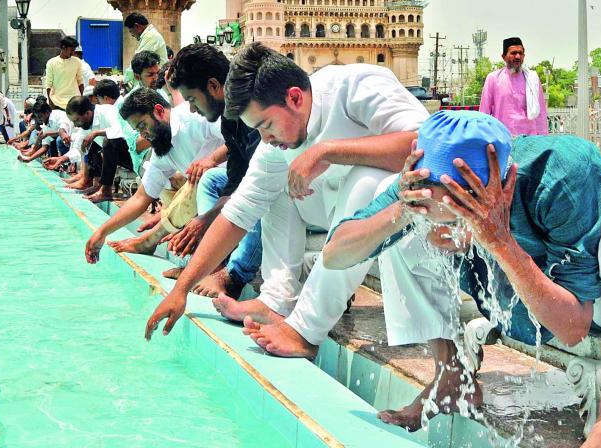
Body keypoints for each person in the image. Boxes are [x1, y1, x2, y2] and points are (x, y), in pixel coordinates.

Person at [322, 111, 601, 447]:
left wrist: (498, 241)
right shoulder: (421, 183)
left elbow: (574, 327)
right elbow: (335, 255)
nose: (435, 219)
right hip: (524, 301)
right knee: (399, 228)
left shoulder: (562, 172)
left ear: (485, 194)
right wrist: (404, 209)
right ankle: (450, 377)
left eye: (456, 211)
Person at [144, 42, 429, 359]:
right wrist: (181, 289)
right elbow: (238, 214)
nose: (265, 139)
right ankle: (276, 300)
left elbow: (425, 150)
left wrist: (327, 151)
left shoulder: (357, 84)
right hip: (330, 212)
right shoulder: (274, 144)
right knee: (272, 186)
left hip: (399, 215)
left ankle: (306, 329)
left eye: (265, 125)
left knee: (367, 178)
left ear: (294, 97)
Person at [146, 42, 263, 299]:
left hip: (300, 186)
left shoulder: (255, 108)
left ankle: (234, 275)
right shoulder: (230, 119)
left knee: (257, 194)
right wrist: (205, 218)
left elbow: (257, 184)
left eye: (191, 99)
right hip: (258, 183)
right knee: (211, 179)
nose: (190, 109)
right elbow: (234, 182)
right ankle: (214, 262)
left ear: (213, 86)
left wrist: (206, 219)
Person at [84, 87, 225, 264]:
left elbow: (242, 140)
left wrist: (212, 159)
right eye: (138, 130)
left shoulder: (194, 117)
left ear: (158, 111)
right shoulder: (162, 148)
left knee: (202, 178)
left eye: (143, 125)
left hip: (233, 185)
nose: (143, 135)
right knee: (174, 182)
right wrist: (102, 232)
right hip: (209, 196)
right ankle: (158, 235)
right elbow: (141, 197)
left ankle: (152, 240)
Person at [44, 51, 162, 191]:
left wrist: (97, 133)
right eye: (150, 74)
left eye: (157, 73)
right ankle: (93, 182)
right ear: (137, 76)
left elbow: (122, 133)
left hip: (148, 148)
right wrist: (61, 159)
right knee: (90, 144)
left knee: (107, 141)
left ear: (87, 113)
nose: (156, 78)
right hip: (138, 151)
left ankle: (104, 189)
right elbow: (78, 149)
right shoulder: (133, 99)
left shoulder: (109, 111)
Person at [479, 37, 547, 136]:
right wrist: (485, 141)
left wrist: (543, 140)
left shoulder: (532, 79)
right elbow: (484, 114)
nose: (518, 56)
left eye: (520, 53)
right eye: (513, 53)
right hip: (503, 139)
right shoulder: (493, 79)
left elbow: (541, 114)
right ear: (504, 57)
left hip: (529, 140)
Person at [123, 13, 168, 87]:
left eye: (131, 31)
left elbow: (138, 61)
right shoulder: (150, 35)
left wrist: (125, 80)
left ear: (136, 26)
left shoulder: (150, 36)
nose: (132, 35)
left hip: (158, 82)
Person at [44, 36, 84, 110]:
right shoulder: (51, 63)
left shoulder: (77, 62)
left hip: (74, 102)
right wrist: (51, 103)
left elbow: (80, 82)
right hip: (57, 103)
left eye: (74, 50)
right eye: (71, 50)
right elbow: (48, 84)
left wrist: (81, 99)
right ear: (63, 47)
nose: (73, 53)